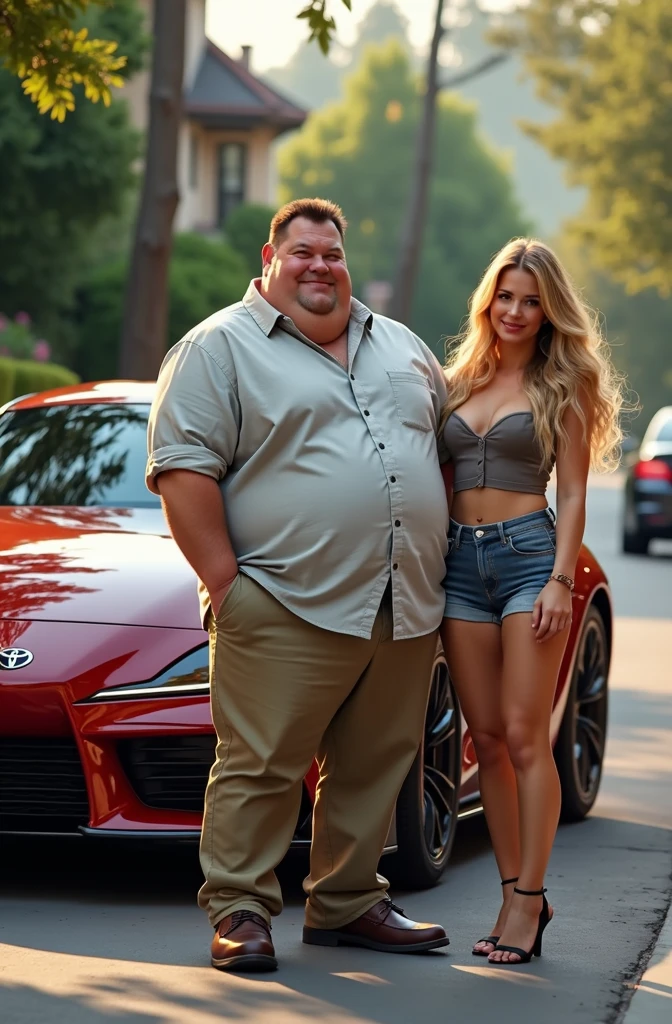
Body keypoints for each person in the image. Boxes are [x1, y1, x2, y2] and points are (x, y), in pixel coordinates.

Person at [146, 197, 451, 972]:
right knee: (260, 763)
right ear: (270, 258)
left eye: (333, 254)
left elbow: (442, 448)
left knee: (378, 760)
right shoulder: (217, 348)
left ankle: (347, 901)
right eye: (303, 252)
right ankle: (241, 910)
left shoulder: (403, 346)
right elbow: (182, 473)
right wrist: (227, 583)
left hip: (400, 599)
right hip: (282, 600)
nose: (320, 266)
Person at [439, 238, 624, 965]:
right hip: (458, 563)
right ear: (489, 300)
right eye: (506, 296)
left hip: (526, 561)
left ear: (550, 310)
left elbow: (573, 491)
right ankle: (518, 890)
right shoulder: (459, 378)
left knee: (524, 736)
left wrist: (558, 578)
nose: (515, 310)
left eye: (531, 299)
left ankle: (526, 902)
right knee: (482, 743)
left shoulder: (563, 382)